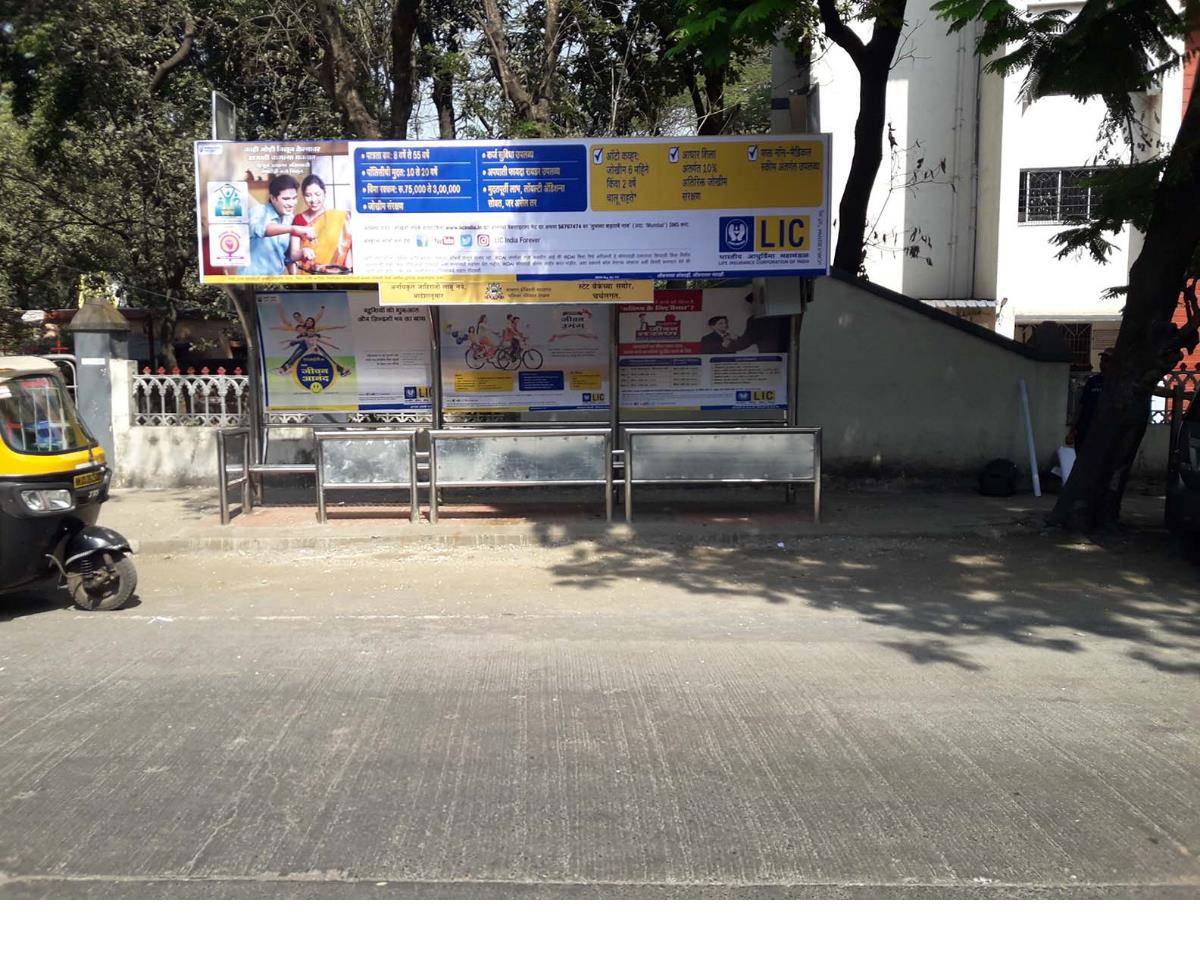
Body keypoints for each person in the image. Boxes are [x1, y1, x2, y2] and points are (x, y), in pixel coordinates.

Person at [247, 174, 315, 276]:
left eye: (294, 198)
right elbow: (261, 230)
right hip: (251, 282)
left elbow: (287, 258)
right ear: (273, 198)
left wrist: (302, 253)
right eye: (286, 199)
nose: (292, 203)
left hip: (275, 281)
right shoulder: (259, 211)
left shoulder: (289, 218)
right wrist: (293, 229)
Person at [291, 174, 352, 274]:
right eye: (308, 195)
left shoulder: (339, 217)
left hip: (337, 276)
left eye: (317, 194)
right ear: (303, 196)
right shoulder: (298, 219)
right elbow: (293, 254)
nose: (313, 200)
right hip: (309, 276)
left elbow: (347, 248)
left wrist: (350, 273)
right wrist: (303, 252)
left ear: (324, 193)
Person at [1070, 348, 1112, 449]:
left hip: (1103, 431)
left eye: (1106, 361)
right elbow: (1081, 405)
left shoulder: (1116, 384)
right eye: (1102, 360)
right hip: (1085, 429)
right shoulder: (1093, 381)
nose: (1102, 364)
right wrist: (1073, 428)